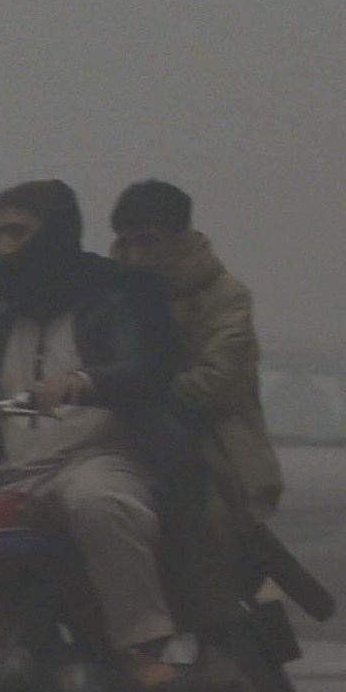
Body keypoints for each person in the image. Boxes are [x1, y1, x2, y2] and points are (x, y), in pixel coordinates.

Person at [0, 182, 191, 687]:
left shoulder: (118, 294)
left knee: (97, 502)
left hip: (101, 457)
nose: (4, 246)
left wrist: (85, 382)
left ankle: (141, 647)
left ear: (56, 234)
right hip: (17, 475)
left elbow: (146, 366)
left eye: (18, 232)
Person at [110, 176, 281, 530]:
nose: (136, 255)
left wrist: (129, 389)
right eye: (127, 243)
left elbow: (214, 385)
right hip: (117, 443)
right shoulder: (108, 296)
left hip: (214, 450)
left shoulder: (225, 297)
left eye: (148, 242)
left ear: (180, 239)